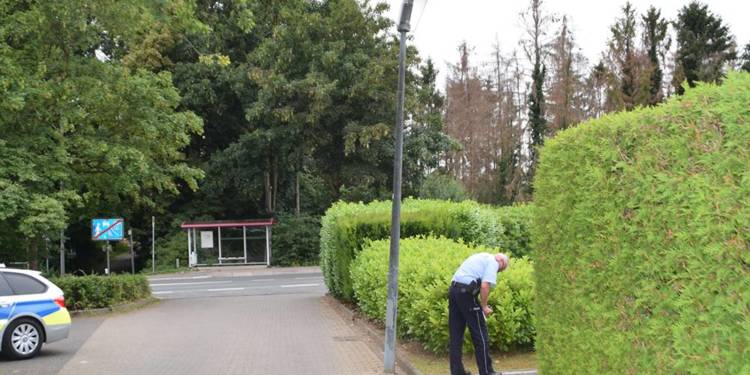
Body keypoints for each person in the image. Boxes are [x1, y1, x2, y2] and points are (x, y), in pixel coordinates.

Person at [448, 252, 509, 375]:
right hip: (466, 292)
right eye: (500, 270)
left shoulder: (482, 256)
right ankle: (487, 372)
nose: (498, 272)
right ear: (501, 262)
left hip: (453, 290)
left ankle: (457, 372)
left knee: (456, 334)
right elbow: (485, 286)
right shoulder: (494, 262)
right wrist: (484, 306)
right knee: (480, 333)